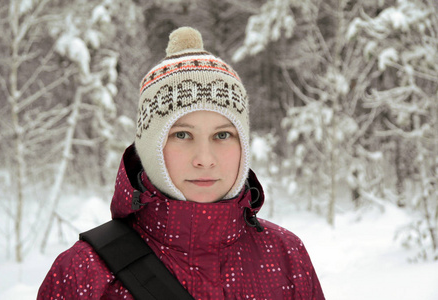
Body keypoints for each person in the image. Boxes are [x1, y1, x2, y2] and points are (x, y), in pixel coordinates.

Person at [38, 26, 325, 300]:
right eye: (182, 134)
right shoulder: (84, 273)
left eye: (222, 134)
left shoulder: (287, 257)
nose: (204, 159)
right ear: (150, 147)